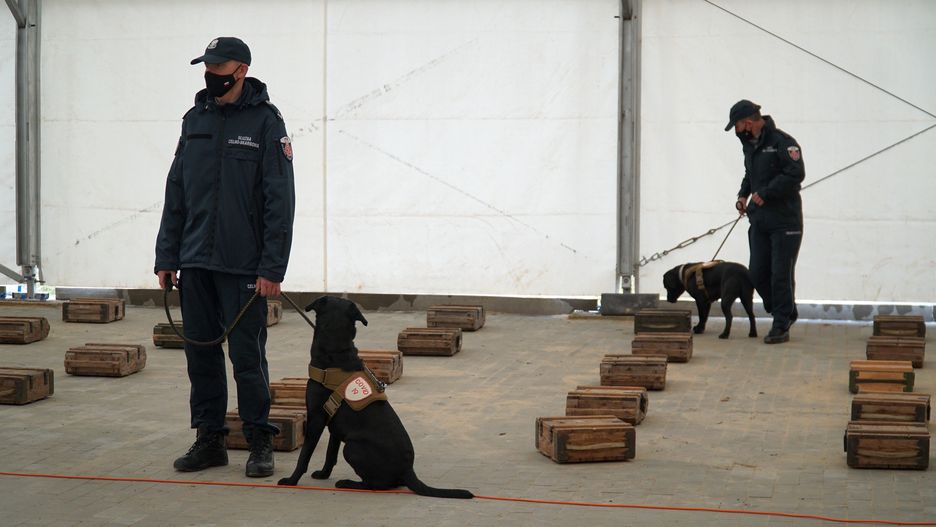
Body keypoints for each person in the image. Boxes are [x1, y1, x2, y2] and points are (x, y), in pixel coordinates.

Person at [155, 37, 296, 477]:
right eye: (207, 67)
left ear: (241, 70)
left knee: (247, 357)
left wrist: (272, 267)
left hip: (244, 266)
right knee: (201, 356)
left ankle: (259, 440)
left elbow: (280, 200)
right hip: (195, 261)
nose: (210, 74)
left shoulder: (266, 122)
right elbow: (176, 191)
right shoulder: (194, 119)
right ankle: (209, 440)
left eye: (218, 67)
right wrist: (167, 256)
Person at [725, 99, 803, 344]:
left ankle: (781, 323)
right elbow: (750, 174)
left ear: (748, 122)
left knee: (780, 273)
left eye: (737, 126)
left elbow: (796, 173)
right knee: (757, 273)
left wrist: (767, 193)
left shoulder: (783, 142)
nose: (737, 131)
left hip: (785, 222)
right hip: (759, 220)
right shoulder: (750, 145)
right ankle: (785, 310)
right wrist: (743, 195)